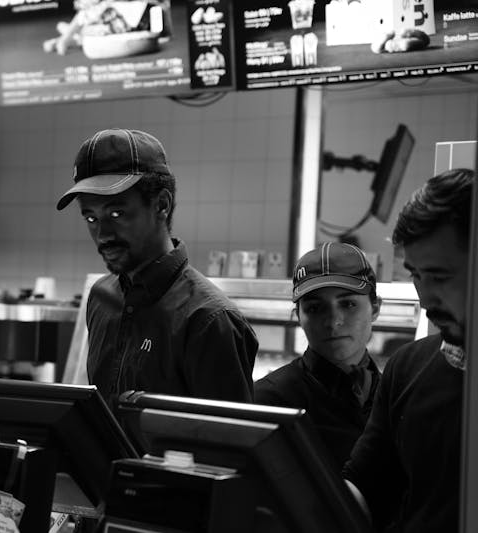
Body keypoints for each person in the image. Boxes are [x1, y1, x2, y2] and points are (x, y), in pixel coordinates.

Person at [55, 128, 259, 407]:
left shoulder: (210, 320)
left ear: (162, 205)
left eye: (117, 213)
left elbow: (227, 433)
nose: (103, 234)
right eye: (91, 218)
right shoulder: (101, 297)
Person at [343, 168, 474, 532]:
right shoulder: (408, 368)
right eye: (416, 275)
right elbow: (367, 487)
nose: (425, 298)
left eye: (440, 276)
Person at [255, 242, 382, 467]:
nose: (333, 321)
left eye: (348, 304)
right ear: (298, 316)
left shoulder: (397, 395)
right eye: (315, 308)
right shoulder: (267, 402)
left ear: (376, 308)